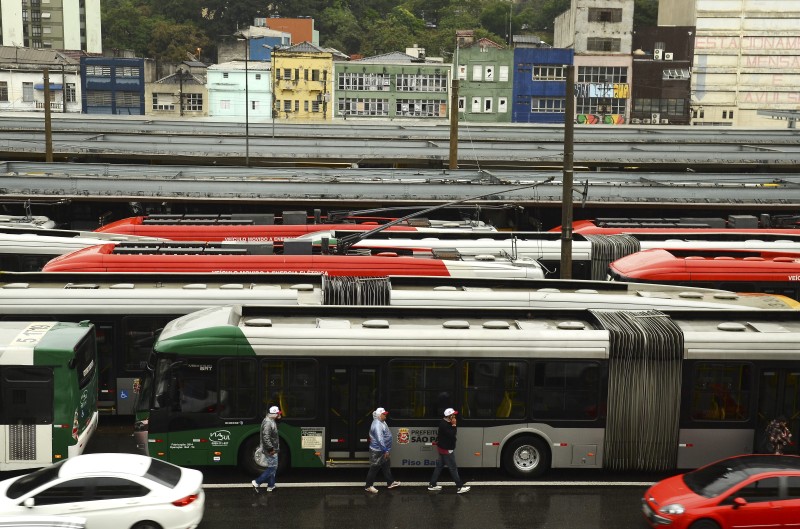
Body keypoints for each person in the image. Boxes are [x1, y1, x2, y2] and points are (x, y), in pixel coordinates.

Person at [428, 408, 470, 494]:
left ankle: (432, 484)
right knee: (453, 468)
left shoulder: (445, 422)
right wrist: (454, 425)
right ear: (449, 416)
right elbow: (452, 435)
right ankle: (459, 487)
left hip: (442, 448)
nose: (455, 416)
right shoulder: (445, 425)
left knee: (439, 467)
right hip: (446, 450)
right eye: (453, 415)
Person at [365, 407, 400, 493]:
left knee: (386, 466)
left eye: (385, 414)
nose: (386, 416)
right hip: (378, 450)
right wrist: (385, 451)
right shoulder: (377, 425)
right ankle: (368, 486)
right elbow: (380, 439)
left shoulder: (382, 422)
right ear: (379, 415)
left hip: (383, 449)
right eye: (384, 414)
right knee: (374, 467)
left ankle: (390, 482)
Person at [251, 405, 281, 492]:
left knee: (272, 467)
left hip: (271, 448)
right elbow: (266, 437)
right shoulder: (268, 423)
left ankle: (271, 486)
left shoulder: (270, 420)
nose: (279, 415)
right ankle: (257, 482)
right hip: (270, 450)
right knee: (272, 468)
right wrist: (270, 449)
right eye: (278, 414)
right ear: (273, 414)